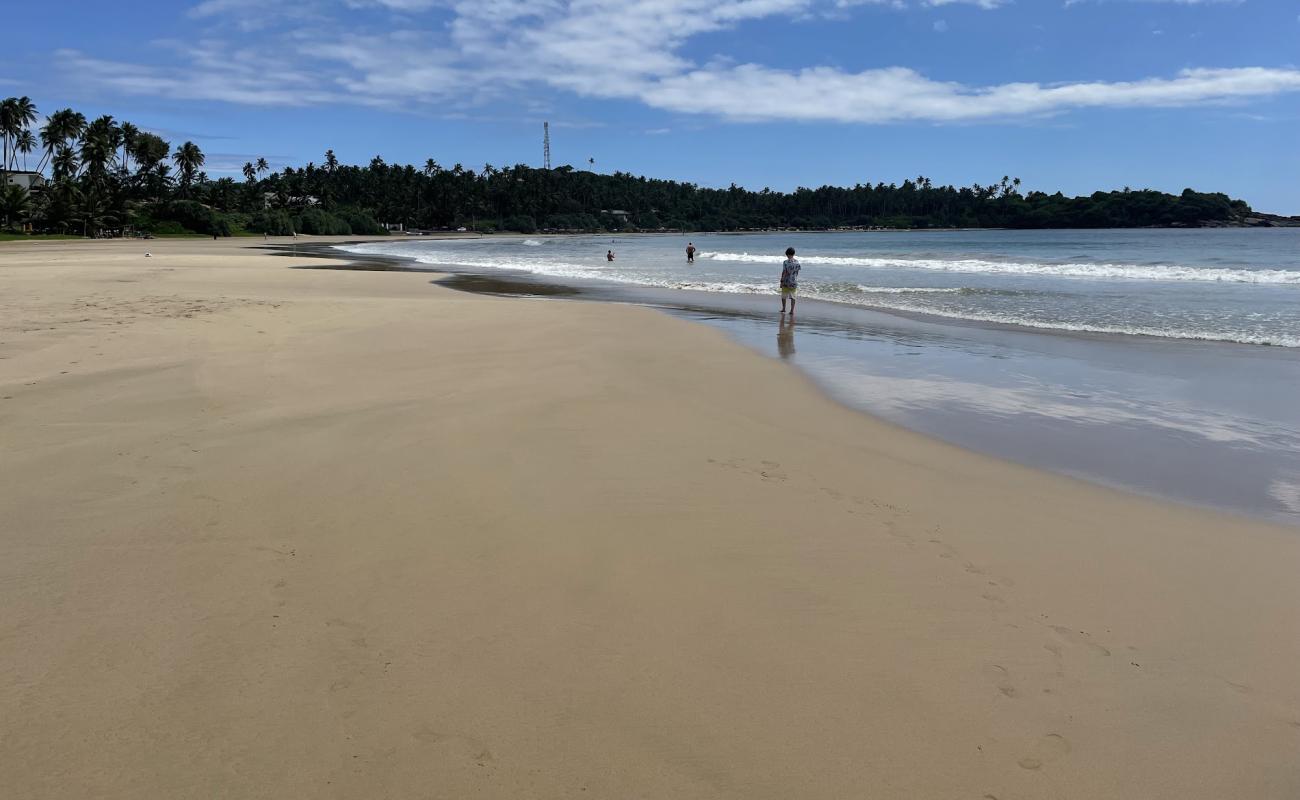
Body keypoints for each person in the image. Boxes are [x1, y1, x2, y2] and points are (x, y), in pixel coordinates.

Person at [779, 246, 800, 316]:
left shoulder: (785, 262)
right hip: (794, 281)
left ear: (787, 254)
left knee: (784, 296)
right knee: (793, 297)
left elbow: (784, 272)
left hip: (786, 281)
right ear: (793, 254)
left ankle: (784, 308)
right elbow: (797, 272)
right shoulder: (797, 262)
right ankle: (792, 310)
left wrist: (781, 281)